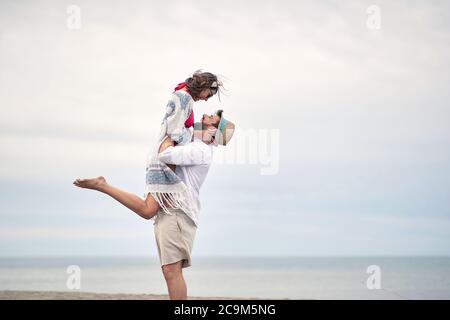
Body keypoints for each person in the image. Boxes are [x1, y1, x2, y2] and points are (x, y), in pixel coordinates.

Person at [73, 110, 235, 299]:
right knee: (169, 270)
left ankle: (103, 185)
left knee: (172, 272)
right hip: (172, 208)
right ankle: (103, 185)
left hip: (178, 212)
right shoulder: (194, 143)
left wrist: (167, 138)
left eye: (210, 119)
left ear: (213, 134)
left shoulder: (200, 150)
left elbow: (166, 155)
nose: (204, 116)